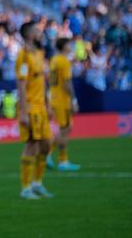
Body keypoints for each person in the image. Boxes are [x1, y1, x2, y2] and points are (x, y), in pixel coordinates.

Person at [15, 21, 53, 199]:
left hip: (42, 107)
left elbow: (42, 82)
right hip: (30, 107)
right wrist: (23, 112)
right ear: (29, 34)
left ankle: (37, 183)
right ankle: (25, 188)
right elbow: (21, 85)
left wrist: (47, 104)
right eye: (37, 30)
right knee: (32, 145)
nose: (40, 32)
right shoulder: (23, 56)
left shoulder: (39, 53)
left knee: (46, 145)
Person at [47, 38, 81, 171]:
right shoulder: (64, 61)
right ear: (64, 46)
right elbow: (67, 83)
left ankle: (57, 158)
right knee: (65, 130)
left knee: (65, 129)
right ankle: (59, 159)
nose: (71, 46)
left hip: (54, 97)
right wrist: (74, 100)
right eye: (69, 44)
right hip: (62, 99)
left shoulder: (54, 60)